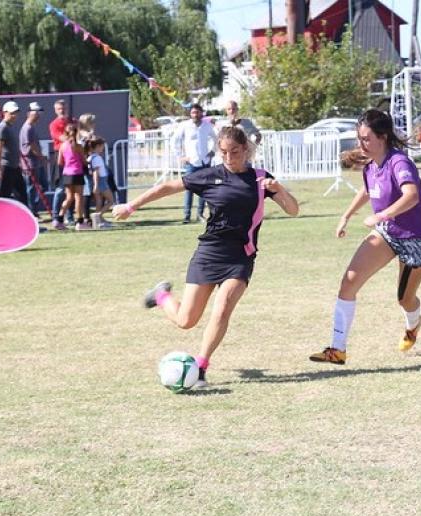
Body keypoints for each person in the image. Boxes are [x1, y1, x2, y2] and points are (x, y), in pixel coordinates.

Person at [112, 126, 299, 386]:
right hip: (209, 253)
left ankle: (200, 367)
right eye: (224, 152)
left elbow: (293, 210)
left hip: (240, 257)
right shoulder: (209, 176)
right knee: (186, 321)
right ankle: (161, 296)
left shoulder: (260, 179)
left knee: (222, 309)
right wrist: (131, 206)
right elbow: (167, 187)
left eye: (235, 152)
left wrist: (279, 189)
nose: (229, 157)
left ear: (245, 150)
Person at [309, 109, 421, 365]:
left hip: (417, 239)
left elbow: (411, 196)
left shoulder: (399, 162)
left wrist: (380, 216)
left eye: (366, 138)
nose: (361, 144)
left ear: (383, 136)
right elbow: (368, 191)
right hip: (388, 234)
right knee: (348, 283)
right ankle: (337, 349)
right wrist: (346, 215)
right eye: (359, 138)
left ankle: (413, 325)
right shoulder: (370, 165)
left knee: (404, 299)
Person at [172, 103, 217, 223]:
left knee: (204, 189)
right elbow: (174, 140)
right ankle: (187, 216)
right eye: (193, 112)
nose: (196, 115)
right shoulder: (185, 126)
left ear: (202, 113)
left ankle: (200, 214)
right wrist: (180, 156)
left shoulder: (207, 126)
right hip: (191, 162)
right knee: (188, 188)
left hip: (204, 162)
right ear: (190, 114)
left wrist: (213, 151)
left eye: (198, 112)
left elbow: (216, 138)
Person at [56, 124, 90, 230]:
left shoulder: (62, 146)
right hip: (77, 173)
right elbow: (84, 161)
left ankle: (59, 219)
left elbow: (59, 162)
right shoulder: (78, 146)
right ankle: (79, 221)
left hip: (67, 173)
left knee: (69, 197)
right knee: (78, 197)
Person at [0, 101, 28, 207]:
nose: (14, 116)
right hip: (6, 166)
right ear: (5, 112)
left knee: (22, 194)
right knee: (3, 195)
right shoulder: (2, 127)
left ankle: (23, 218)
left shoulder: (10, 127)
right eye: (12, 113)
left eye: (16, 113)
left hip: (14, 166)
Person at [20, 102, 49, 217]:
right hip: (30, 163)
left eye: (38, 113)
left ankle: (34, 208)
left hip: (35, 162)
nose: (37, 115)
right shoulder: (27, 128)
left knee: (43, 186)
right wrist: (41, 157)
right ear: (29, 113)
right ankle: (31, 211)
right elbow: (31, 146)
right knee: (31, 188)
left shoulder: (31, 127)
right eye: (35, 113)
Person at [49, 99, 76, 223]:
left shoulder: (73, 121)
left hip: (73, 157)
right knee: (60, 188)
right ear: (55, 110)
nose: (62, 110)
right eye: (59, 108)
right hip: (61, 156)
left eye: (64, 108)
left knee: (72, 188)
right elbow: (62, 138)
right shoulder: (54, 124)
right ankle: (56, 216)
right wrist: (74, 137)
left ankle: (69, 217)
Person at [85, 136, 114, 229]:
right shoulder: (96, 158)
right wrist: (96, 185)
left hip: (97, 181)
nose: (103, 148)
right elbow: (95, 172)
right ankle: (97, 216)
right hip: (101, 181)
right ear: (97, 146)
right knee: (110, 200)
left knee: (99, 201)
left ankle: (98, 220)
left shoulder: (90, 157)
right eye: (102, 146)